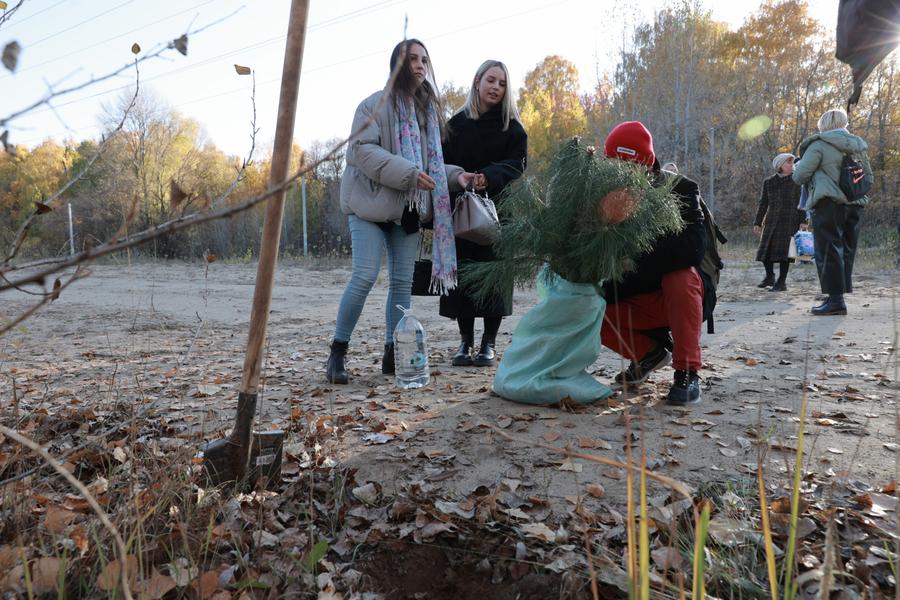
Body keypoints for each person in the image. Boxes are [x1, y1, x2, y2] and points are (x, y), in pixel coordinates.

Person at [326, 39, 476, 384]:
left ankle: (393, 354)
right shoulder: (373, 106)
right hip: (368, 204)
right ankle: (338, 352)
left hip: (407, 210)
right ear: (398, 64)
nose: (420, 65)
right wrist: (408, 173)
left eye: (424, 59)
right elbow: (363, 151)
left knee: (401, 284)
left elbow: (431, 167)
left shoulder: (427, 114)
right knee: (364, 276)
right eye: (412, 59)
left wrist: (457, 176)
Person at [600, 121, 707, 405]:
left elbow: (691, 250)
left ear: (645, 163)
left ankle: (687, 370)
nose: (619, 174)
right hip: (634, 298)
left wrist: (633, 262)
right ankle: (649, 353)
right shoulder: (604, 200)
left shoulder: (682, 189)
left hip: (677, 298)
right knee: (588, 305)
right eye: (613, 164)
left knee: (680, 276)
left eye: (626, 165)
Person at [440, 60, 528, 367]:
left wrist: (488, 176)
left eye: (502, 83)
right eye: (491, 80)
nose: (495, 87)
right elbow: (442, 164)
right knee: (464, 277)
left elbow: (517, 163)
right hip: (462, 212)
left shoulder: (512, 127)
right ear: (478, 81)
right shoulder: (455, 125)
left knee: (494, 278)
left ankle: (488, 345)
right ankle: (465, 343)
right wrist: (463, 179)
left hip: (498, 212)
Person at [792, 108, 872, 316]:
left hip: (828, 203)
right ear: (844, 124)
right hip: (855, 204)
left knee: (827, 250)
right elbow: (868, 178)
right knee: (846, 250)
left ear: (823, 125)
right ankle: (836, 296)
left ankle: (835, 301)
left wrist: (799, 166)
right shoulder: (857, 146)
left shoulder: (819, 144)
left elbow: (799, 176)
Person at [753, 153, 808, 291]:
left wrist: (803, 221)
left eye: (792, 163)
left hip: (790, 220)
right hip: (771, 221)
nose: (791, 165)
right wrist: (758, 222)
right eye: (788, 163)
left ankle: (781, 282)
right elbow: (763, 203)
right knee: (765, 251)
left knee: (786, 253)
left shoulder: (796, 182)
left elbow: (801, 203)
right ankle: (769, 276)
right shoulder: (769, 182)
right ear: (779, 165)